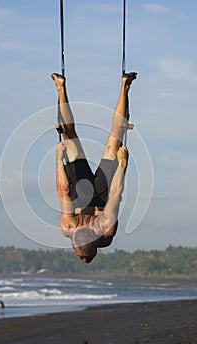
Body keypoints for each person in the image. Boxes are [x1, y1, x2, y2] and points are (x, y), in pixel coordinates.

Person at [52, 72, 137, 263]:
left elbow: (64, 191)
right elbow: (115, 195)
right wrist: (122, 164)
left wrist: (59, 159)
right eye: (85, 255)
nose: (82, 258)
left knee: (110, 137)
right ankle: (124, 86)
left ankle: (61, 87)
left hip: (85, 195)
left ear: (74, 243)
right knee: (105, 138)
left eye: (80, 255)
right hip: (95, 196)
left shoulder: (72, 229)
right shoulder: (104, 230)